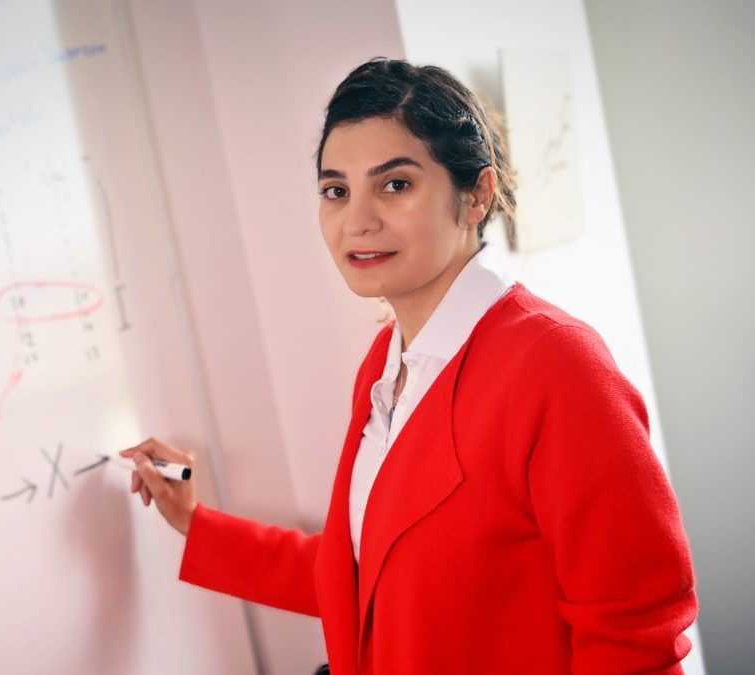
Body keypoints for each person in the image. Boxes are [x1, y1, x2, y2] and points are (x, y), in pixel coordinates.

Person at [120, 58, 697, 674]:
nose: (358, 221)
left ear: (476, 194)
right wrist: (198, 525)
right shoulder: (388, 364)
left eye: (395, 184)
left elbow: (634, 634)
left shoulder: (558, 366)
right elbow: (365, 577)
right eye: (335, 190)